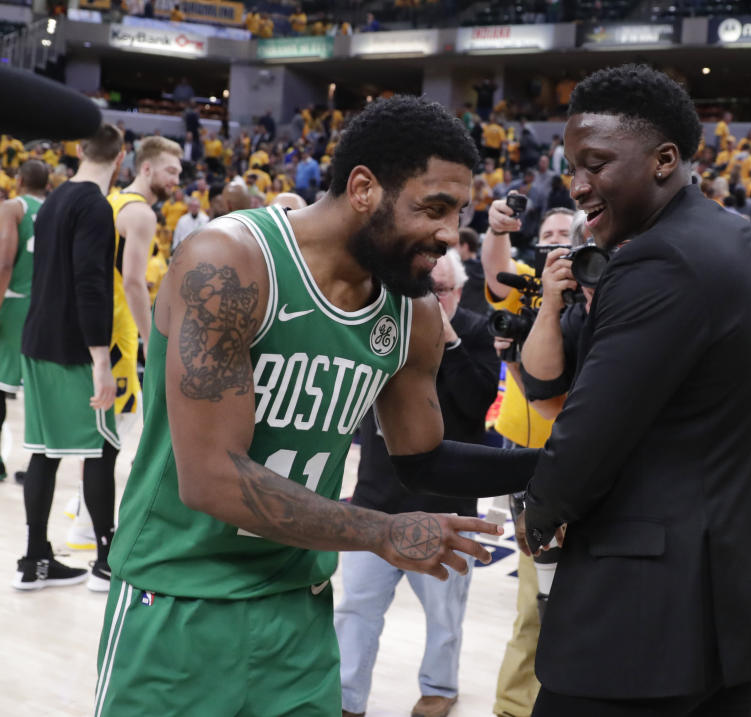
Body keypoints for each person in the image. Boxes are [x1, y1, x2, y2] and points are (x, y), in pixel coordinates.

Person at [94, 96, 539, 717]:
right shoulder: (230, 262)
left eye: (458, 211)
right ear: (363, 188)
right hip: (177, 598)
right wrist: (381, 532)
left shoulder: (410, 312)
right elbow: (211, 477)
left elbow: (423, 459)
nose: (447, 232)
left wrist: (554, 464)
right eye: (433, 208)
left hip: (297, 608)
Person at [520, 64, 751, 715]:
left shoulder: (658, 260)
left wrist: (537, 512)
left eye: (596, 164)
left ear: (663, 160)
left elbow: (591, 432)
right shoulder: (742, 240)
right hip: (737, 611)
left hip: (647, 622)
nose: (577, 184)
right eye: (572, 166)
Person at [335, 249, 499, 717]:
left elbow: (477, 401)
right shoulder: (387, 326)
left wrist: (446, 339)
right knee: (356, 610)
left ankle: (439, 688)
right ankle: (348, 699)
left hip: (446, 506)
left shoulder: (473, 330)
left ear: (458, 291)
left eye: (439, 290)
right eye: (421, 289)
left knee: (444, 617)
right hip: (376, 501)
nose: (429, 298)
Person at [12, 124, 125, 592]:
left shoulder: (54, 198)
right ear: (122, 159)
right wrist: (102, 359)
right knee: (103, 447)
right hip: (71, 348)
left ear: (79, 151)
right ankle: (105, 561)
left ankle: (35, 559)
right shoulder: (95, 205)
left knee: (44, 451)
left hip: (36, 338)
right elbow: (89, 283)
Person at [481, 202, 575, 717]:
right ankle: (514, 707)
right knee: (534, 601)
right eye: (549, 233)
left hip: (582, 452)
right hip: (527, 457)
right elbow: (495, 269)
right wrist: (498, 228)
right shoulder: (528, 285)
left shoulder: (594, 289)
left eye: (567, 232)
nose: (557, 240)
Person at [109, 136, 182, 414]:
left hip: (100, 322)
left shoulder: (114, 199)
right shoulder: (141, 213)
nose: (176, 180)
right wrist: (150, 340)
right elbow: (132, 281)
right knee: (117, 428)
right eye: (171, 171)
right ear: (147, 168)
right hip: (118, 326)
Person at [0, 159, 48, 480]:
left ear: (19, 180)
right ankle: (34, 468)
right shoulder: (56, 209)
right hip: (45, 308)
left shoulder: (12, 208)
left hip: (15, 303)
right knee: (37, 391)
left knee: (0, 386)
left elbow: (4, 262)